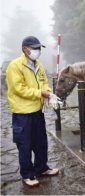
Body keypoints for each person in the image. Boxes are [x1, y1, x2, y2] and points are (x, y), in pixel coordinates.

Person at [6, 36, 59, 187]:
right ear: (25, 49)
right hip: (22, 114)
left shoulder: (39, 65)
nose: (38, 51)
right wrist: (41, 94)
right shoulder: (15, 66)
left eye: (39, 48)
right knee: (25, 145)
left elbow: (44, 82)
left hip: (37, 111)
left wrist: (49, 93)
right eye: (35, 48)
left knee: (41, 142)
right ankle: (27, 175)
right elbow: (19, 89)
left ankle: (41, 168)